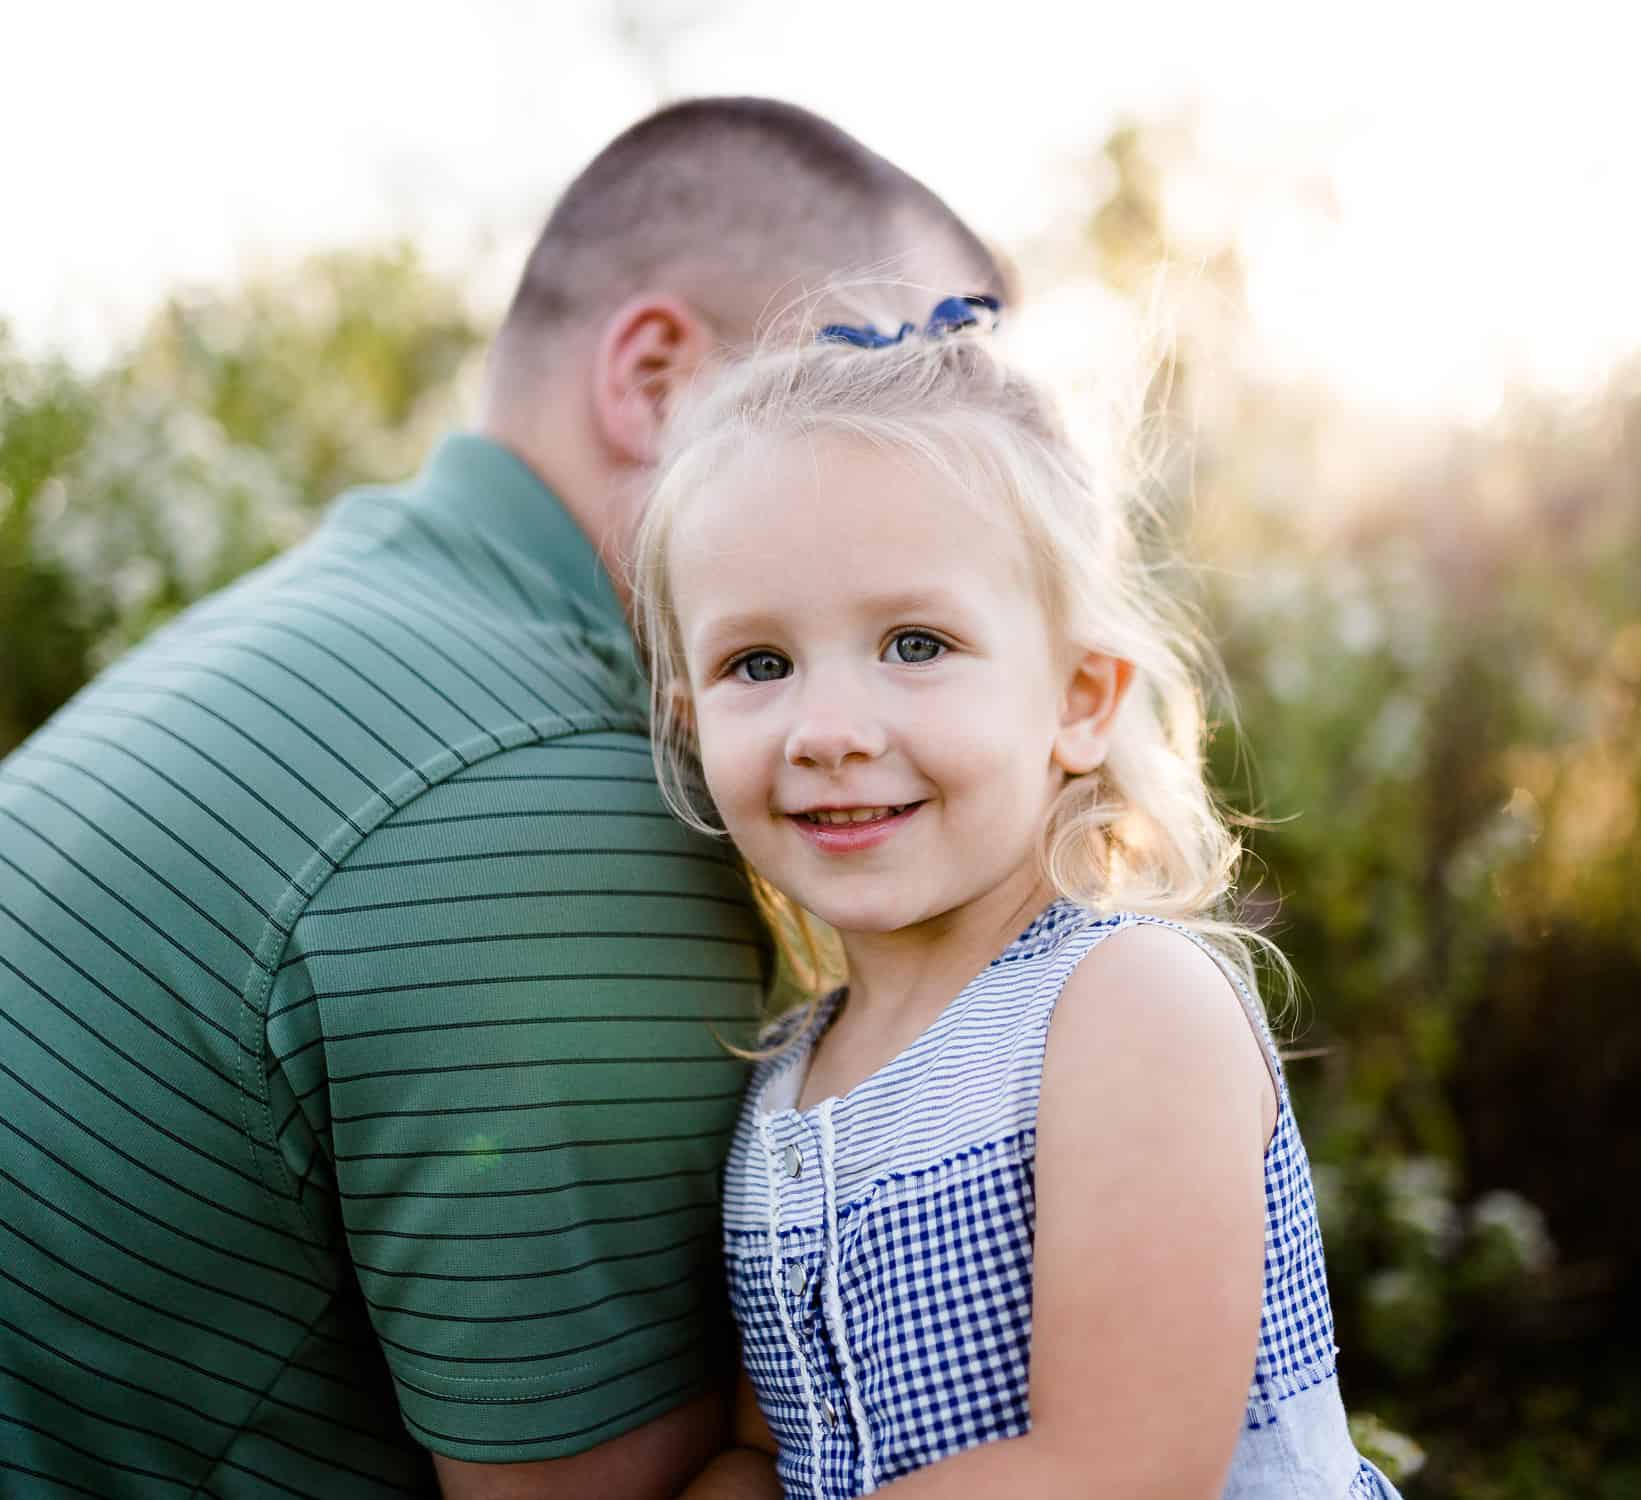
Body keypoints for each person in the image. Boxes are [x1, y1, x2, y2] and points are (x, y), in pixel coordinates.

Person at [0, 99, 1000, 1499]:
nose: (962, 480)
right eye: (879, 389)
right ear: (656, 380)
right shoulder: (557, 811)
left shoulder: (325, 611)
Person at [635, 304, 1402, 1498]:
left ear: (1080, 700)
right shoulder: (790, 1077)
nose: (829, 732)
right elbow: (770, 1451)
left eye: (916, 643)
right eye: (760, 666)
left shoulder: (1121, 1006)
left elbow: (1119, 1471)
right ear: (691, 721)